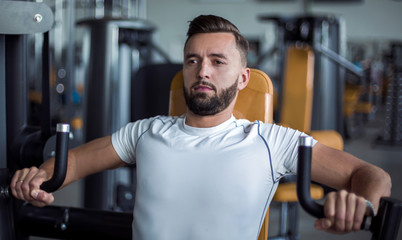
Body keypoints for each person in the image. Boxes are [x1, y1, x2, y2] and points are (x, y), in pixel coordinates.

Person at [11, 15, 391, 240]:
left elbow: (369, 174)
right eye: (192, 60)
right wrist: (38, 177)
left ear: (243, 78)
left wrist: (362, 204)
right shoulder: (146, 132)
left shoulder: (272, 141)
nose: (202, 70)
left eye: (216, 61)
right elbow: (73, 163)